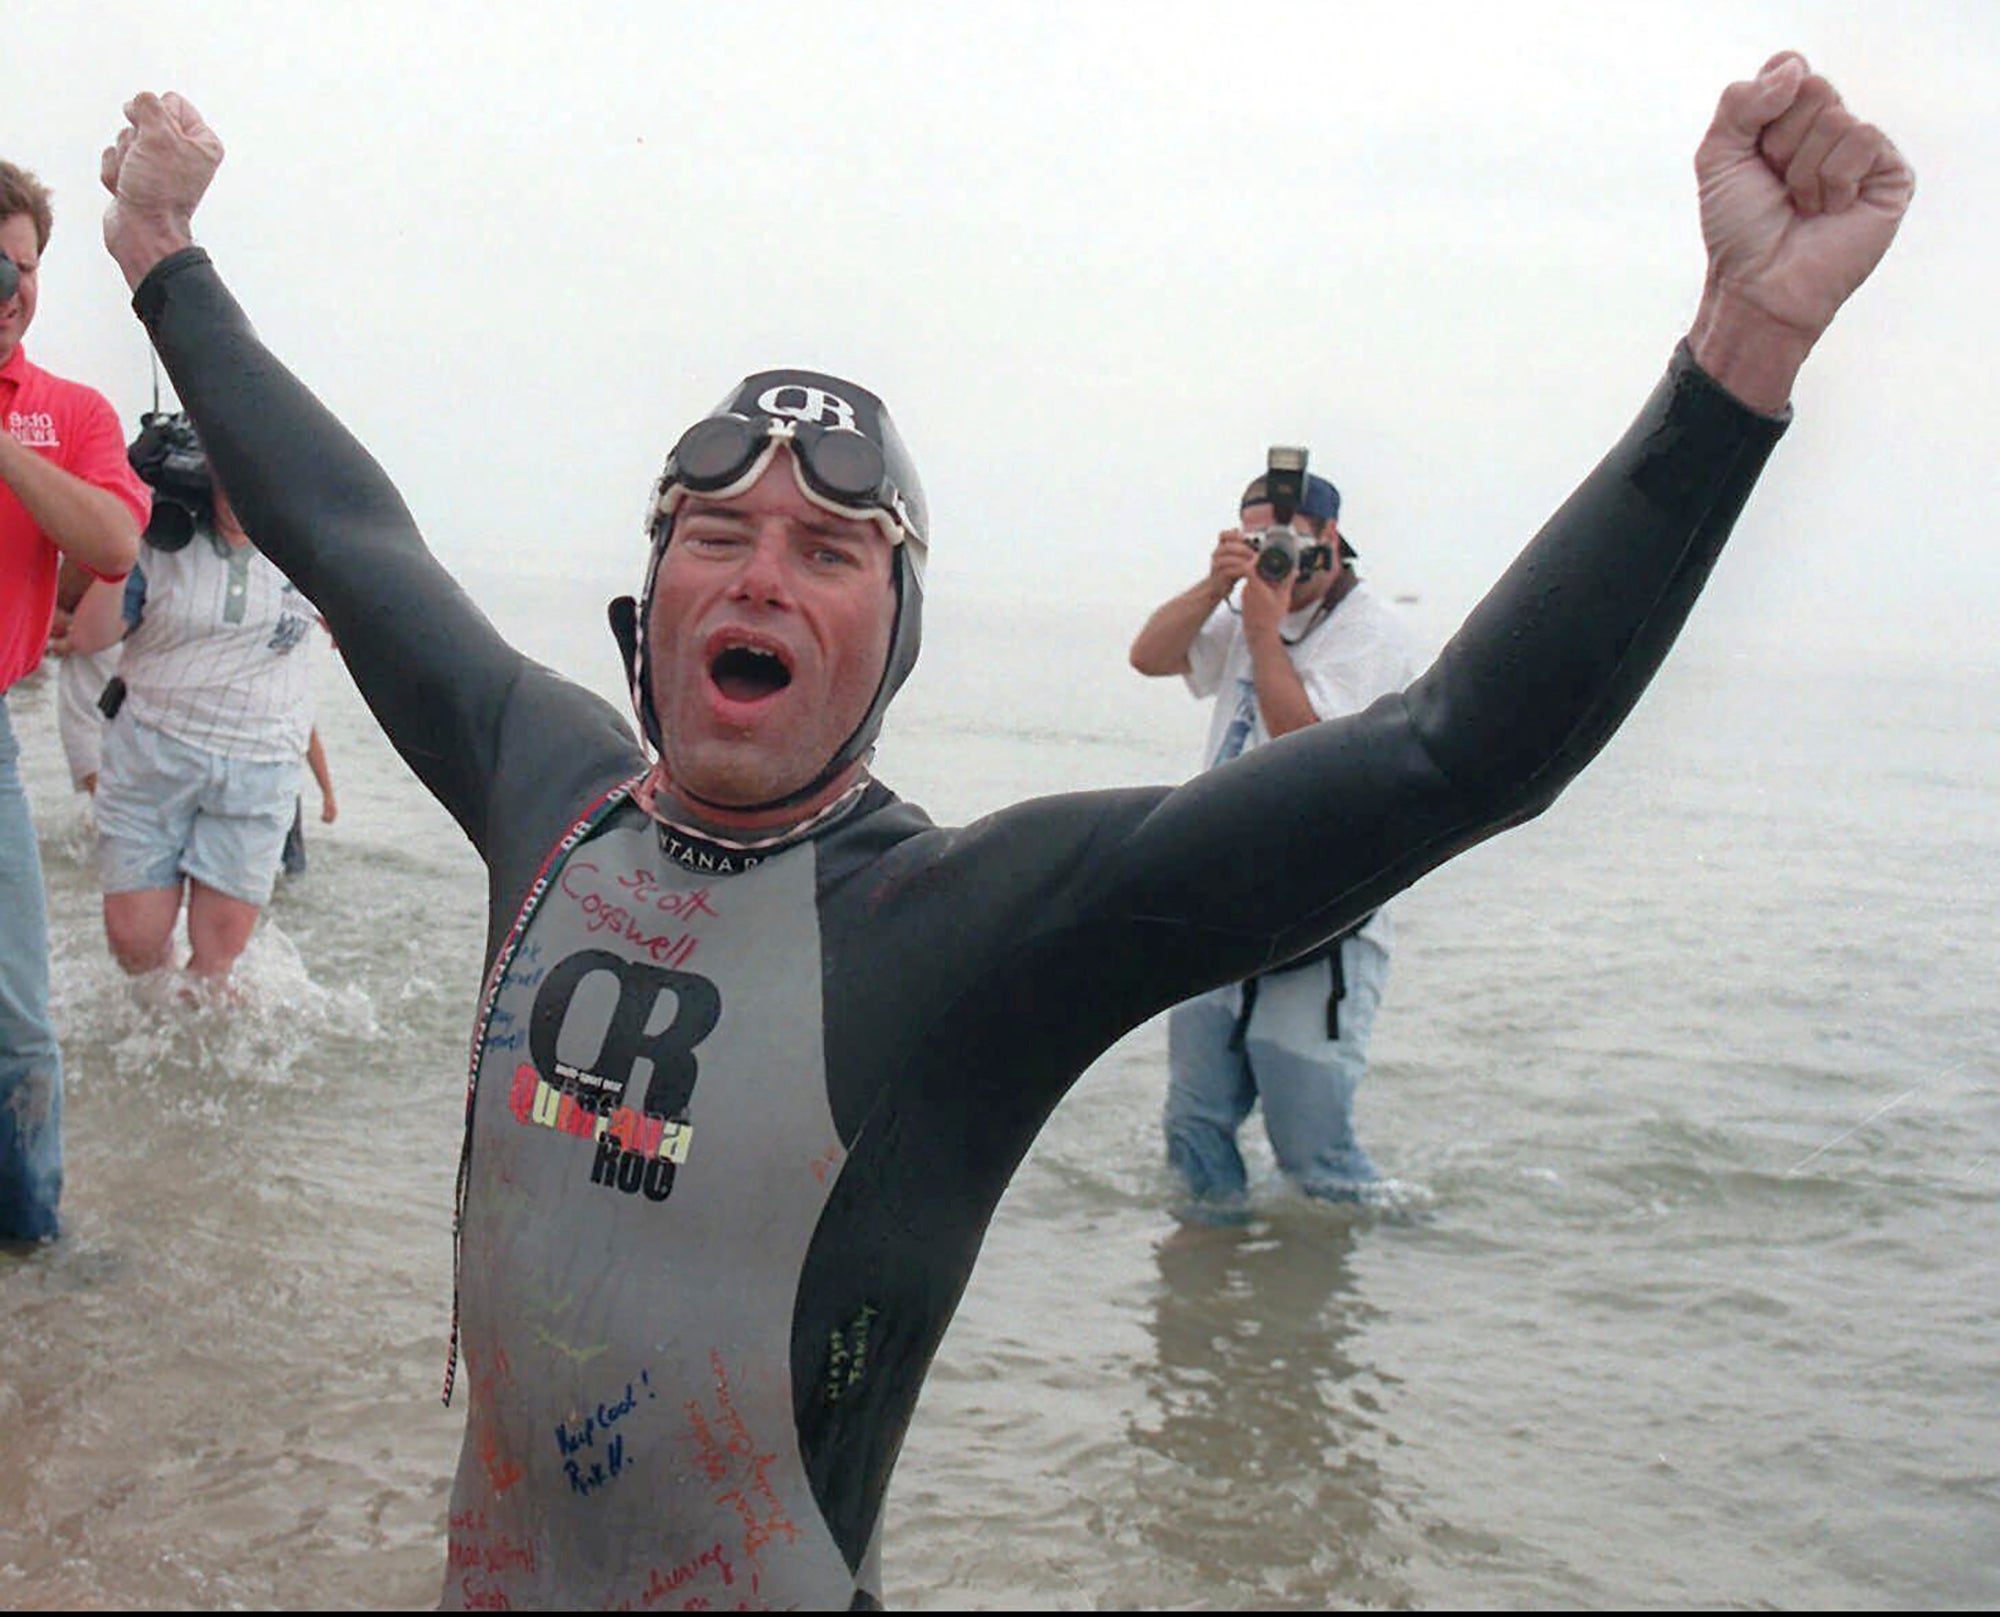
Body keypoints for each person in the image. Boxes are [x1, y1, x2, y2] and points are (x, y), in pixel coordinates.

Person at [97, 52, 1911, 1608]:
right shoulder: (544, 788)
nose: (764, 572)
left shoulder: (978, 924)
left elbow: (1455, 754)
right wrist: (168, 262)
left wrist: (1744, 347)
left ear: (897, 643)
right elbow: (349, 530)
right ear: (649, 602)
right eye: (716, 535)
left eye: (832, 549)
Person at [1131, 463, 1416, 1217]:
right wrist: (1214, 588)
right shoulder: (1250, 603)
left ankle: (1388, 1259)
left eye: (1285, 539)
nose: (1274, 554)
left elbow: (1311, 747)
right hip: (1220, 902)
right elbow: (1149, 655)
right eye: (1256, 538)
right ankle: (1203, 1296)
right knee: (1194, 1129)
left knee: (1311, 1152)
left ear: (1329, 536)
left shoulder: (1372, 631)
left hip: (1326, 920)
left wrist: (1262, 629)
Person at [0, 158, 147, 1242]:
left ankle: (30, 1243)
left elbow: (110, 543)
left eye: (25, 267)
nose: (11, 290)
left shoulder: (71, 412)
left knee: (16, 1024)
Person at [66, 416, 321, 984]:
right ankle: (151, 1016)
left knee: (218, 958)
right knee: (134, 942)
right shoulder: (164, 542)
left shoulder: (308, 551)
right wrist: (130, 534)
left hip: (261, 760)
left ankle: (207, 1039)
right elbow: (88, 638)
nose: (240, 499)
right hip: (151, 749)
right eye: (227, 482)